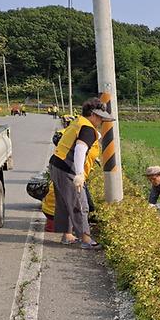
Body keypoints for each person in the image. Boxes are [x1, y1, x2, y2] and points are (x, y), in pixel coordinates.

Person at [49, 97, 113, 249]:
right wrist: (79, 174)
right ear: (93, 114)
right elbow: (80, 149)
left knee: (65, 203)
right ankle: (85, 239)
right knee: (79, 203)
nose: (101, 121)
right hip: (68, 168)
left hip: (56, 164)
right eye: (100, 117)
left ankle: (67, 235)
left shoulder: (78, 121)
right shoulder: (88, 128)